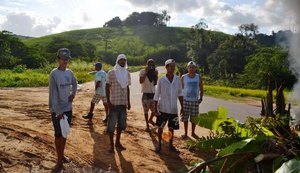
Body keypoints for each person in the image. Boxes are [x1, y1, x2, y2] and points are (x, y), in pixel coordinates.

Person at [49, 48, 77, 171]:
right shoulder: (54, 74)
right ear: (58, 59)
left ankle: (62, 155)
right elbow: (53, 93)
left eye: (67, 59)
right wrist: (58, 111)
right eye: (62, 58)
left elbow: (75, 83)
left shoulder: (69, 73)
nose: (65, 61)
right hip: (57, 110)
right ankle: (59, 158)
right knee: (58, 134)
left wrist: (73, 94)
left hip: (68, 108)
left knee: (65, 133)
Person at [153, 59, 183, 153]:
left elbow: (180, 94)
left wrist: (183, 107)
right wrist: (155, 108)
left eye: (174, 66)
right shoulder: (162, 80)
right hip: (163, 109)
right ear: (166, 67)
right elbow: (157, 95)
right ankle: (159, 146)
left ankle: (170, 145)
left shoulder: (177, 79)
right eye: (170, 66)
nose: (172, 68)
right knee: (160, 127)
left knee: (171, 128)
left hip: (173, 109)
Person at [106, 54, 131, 153]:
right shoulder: (112, 73)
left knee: (121, 125)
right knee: (111, 126)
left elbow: (127, 88)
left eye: (124, 60)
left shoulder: (127, 73)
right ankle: (111, 146)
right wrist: (108, 101)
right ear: (117, 61)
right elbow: (107, 86)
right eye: (121, 60)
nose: (123, 62)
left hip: (123, 103)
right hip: (114, 103)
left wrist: (128, 102)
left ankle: (118, 142)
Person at [181, 61, 203, 139]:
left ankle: (193, 132)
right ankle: (185, 133)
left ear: (195, 68)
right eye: (190, 67)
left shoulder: (198, 77)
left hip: (195, 101)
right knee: (185, 118)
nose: (191, 68)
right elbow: (182, 89)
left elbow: (201, 88)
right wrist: (181, 101)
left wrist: (201, 98)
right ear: (187, 68)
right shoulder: (183, 77)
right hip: (185, 100)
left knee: (194, 118)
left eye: (193, 67)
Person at [139, 59, 158, 132]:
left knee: (155, 111)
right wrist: (146, 72)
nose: (151, 66)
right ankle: (147, 125)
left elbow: (155, 82)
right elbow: (141, 81)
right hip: (146, 94)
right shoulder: (142, 71)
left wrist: (155, 74)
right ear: (146, 64)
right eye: (149, 64)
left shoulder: (155, 71)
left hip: (153, 94)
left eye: (152, 64)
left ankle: (150, 120)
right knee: (146, 112)